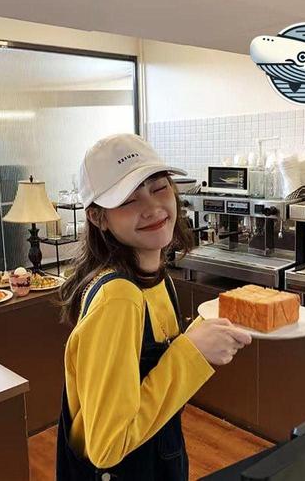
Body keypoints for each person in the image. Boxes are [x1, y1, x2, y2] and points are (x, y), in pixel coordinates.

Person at [57, 133, 252, 480]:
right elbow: (106, 446)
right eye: (128, 200)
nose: (151, 207)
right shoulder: (119, 298)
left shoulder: (157, 277)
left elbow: (153, 378)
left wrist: (202, 333)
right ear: (99, 218)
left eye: (158, 187)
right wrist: (192, 352)